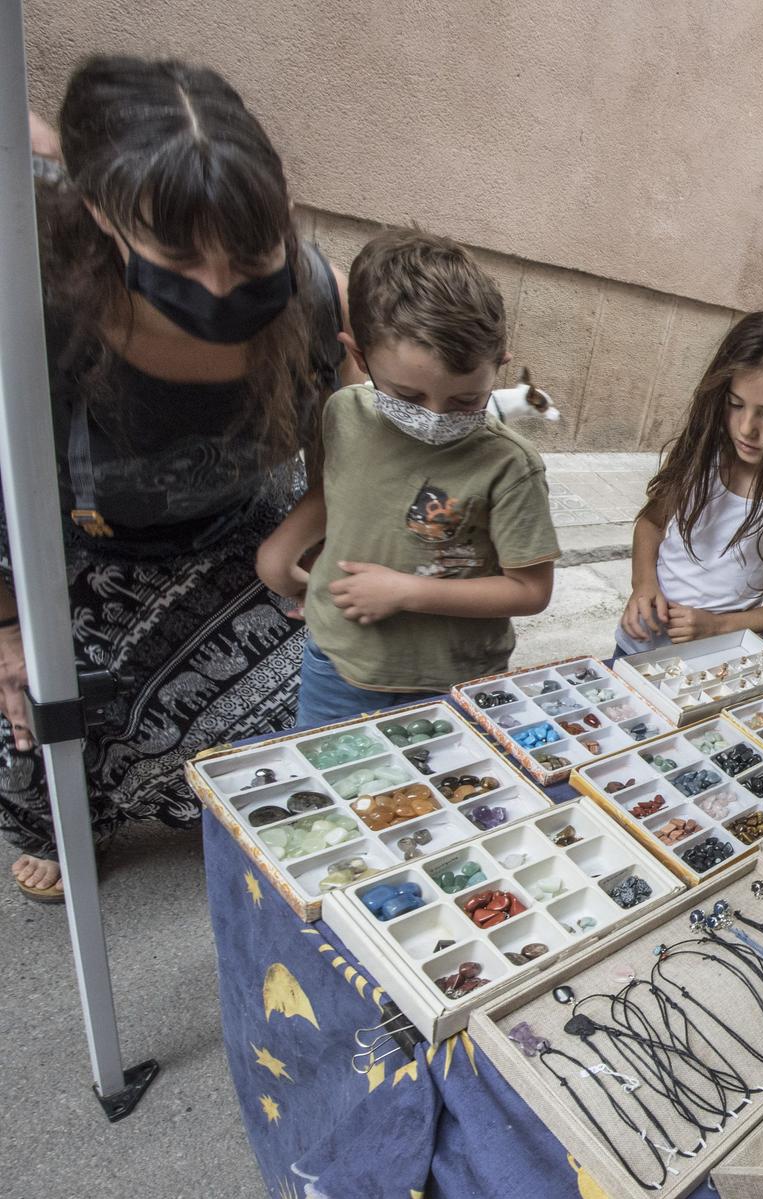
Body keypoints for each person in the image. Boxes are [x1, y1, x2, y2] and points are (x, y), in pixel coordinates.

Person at [1, 59, 353, 902]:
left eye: (251, 250)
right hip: (68, 559)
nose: (222, 286)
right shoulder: (37, 305)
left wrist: (297, 541)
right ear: (100, 216)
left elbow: (349, 452)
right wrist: (10, 634)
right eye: (179, 255)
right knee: (27, 743)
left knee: (331, 715)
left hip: (241, 539)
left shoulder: (310, 293)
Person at [260, 230, 559, 726]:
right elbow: (340, 489)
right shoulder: (344, 413)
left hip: (450, 683)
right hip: (337, 668)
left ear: (498, 368)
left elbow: (530, 590)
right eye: (408, 396)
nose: (436, 417)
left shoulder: (509, 466)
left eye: (466, 400)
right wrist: (280, 554)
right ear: (358, 357)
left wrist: (406, 592)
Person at [616, 311, 763, 653]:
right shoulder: (700, 461)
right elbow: (650, 522)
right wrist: (643, 584)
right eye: (735, 405)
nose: (746, 428)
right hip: (636, 645)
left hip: (711, 658)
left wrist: (719, 625)